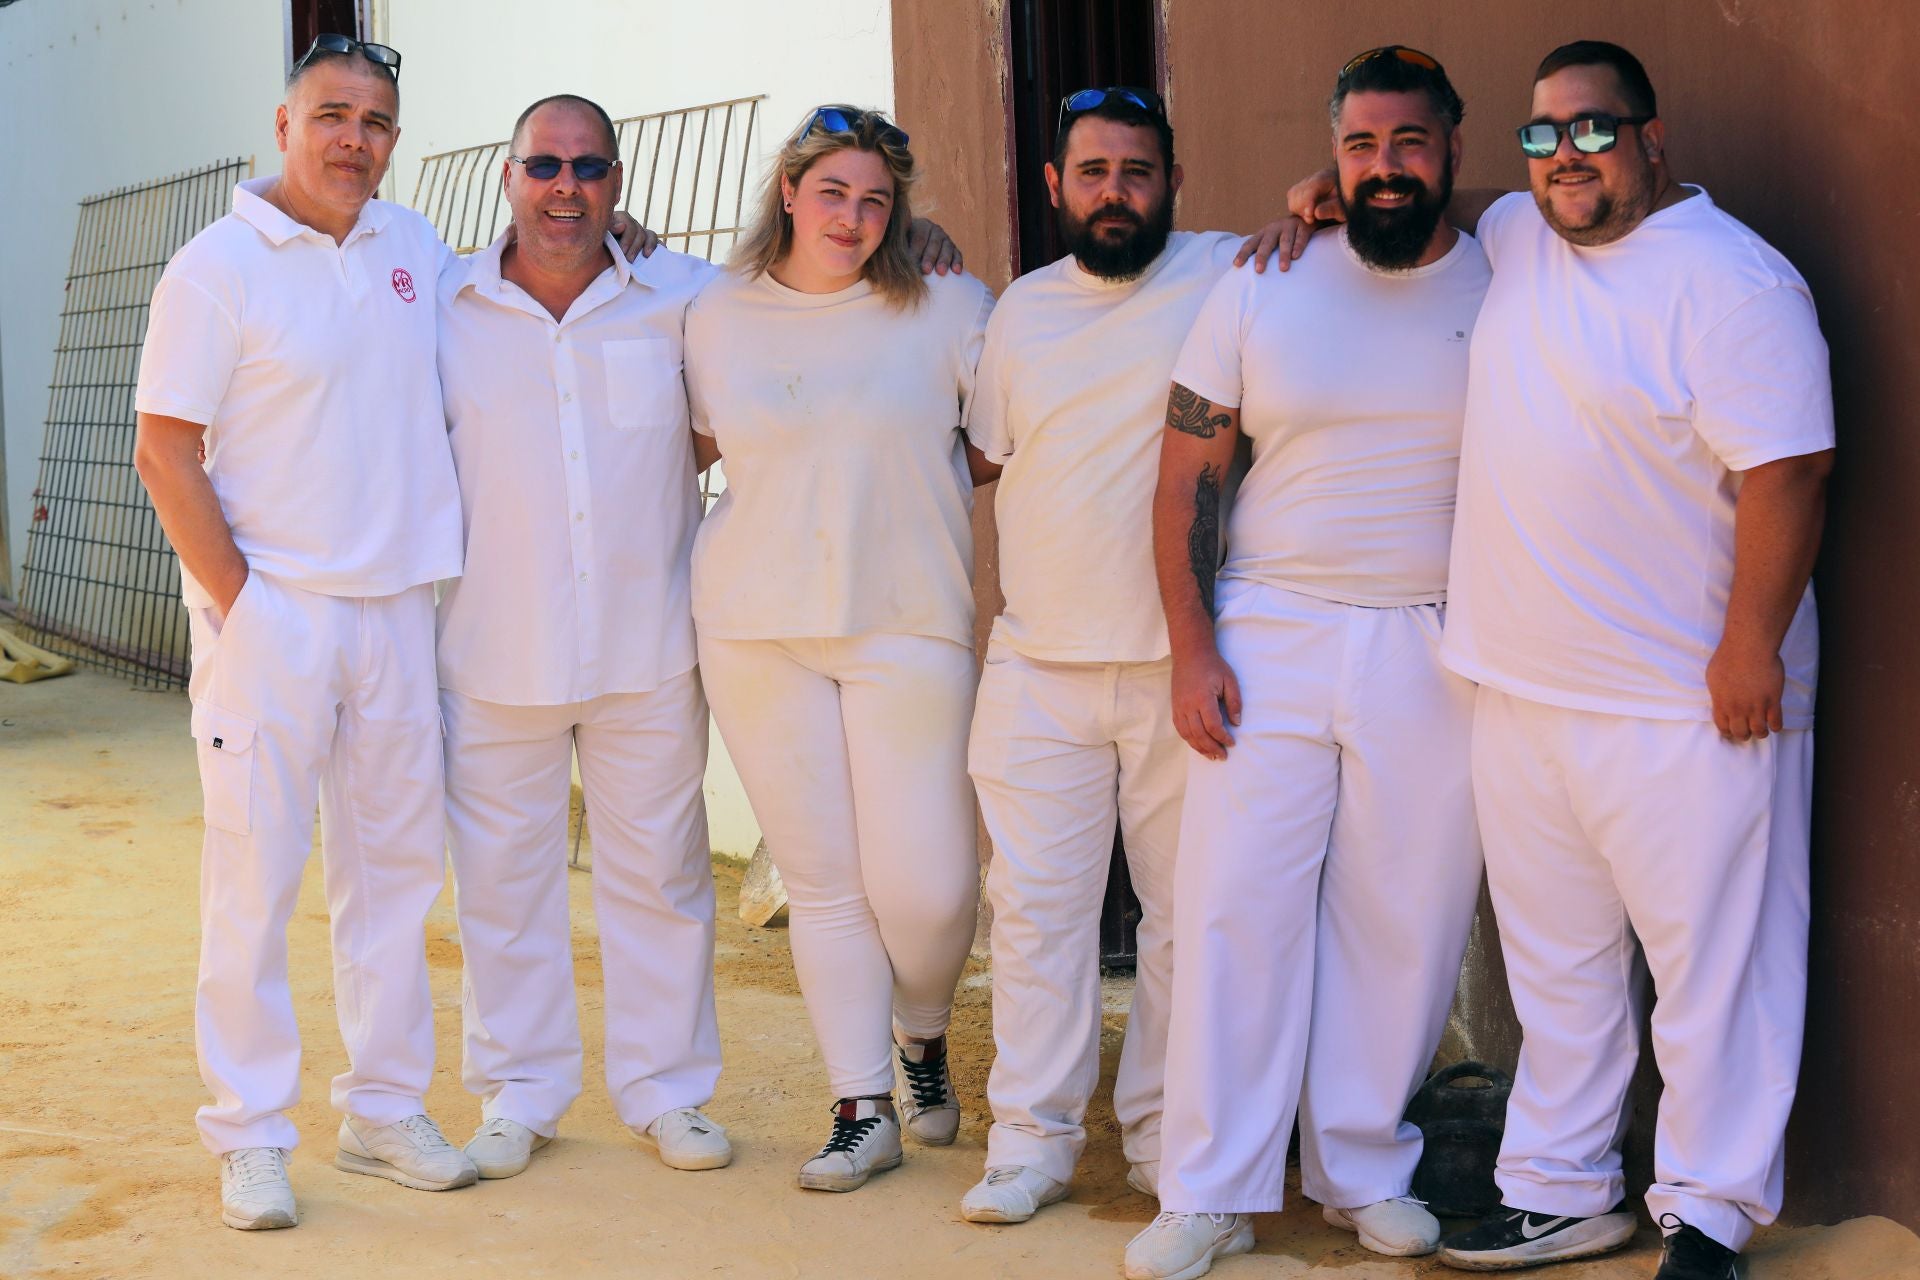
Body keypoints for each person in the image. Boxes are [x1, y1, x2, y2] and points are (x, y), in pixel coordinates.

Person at [1299, 42, 1830, 1280]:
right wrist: (1319, 191)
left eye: (1594, 129)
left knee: (1717, 975)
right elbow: (1421, 203)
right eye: (1542, 136)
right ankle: (1559, 1185)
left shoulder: (1735, 281)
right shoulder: (1522, 239)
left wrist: (1750, 648)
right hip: (1524, 689)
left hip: (1690, 702)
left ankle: (1709, 1215)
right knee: (1559, 971)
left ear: (1654, 139)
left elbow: (1791, 470)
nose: (1567, 156)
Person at [1122, 48, 1491, 1280]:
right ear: (1332, 158)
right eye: (1360, 147)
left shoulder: (1509, 268)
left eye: (1409, 144)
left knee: (1407, 914)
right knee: (1236, 907)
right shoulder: (1260, 277)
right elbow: (1186, 475)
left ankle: (1360, 1169)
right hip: (1269, 627)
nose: (1384, 169)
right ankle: (1211, 1186)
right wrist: (1192, 645)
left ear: (1451, 147)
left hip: (1436, 637)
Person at [133, 35, 477, 1230]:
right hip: (272, 617)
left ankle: (383, 1109)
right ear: (283, 128)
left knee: (392, 881)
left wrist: (620, 242)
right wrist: (247, 604)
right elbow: (164, 450)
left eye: (376, 121)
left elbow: (515, 296)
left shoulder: (412, 248)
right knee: (256, 883)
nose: (353, 139)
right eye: (331, 114)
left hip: (395, 611)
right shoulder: (217, 266)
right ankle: (248, 1132)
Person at [954, 87, 1299, 1226]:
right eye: (1093, 171)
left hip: (1181, 667)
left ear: (1174, 184)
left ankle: (1161, 1138)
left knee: (1180, 918)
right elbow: (990, 455)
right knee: (1037, 916)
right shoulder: (1017, 313)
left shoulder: (1230, 273)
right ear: (1054, 187)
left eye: (1137, 171)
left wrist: (1321, 197)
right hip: (1038, 663)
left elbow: (1352, 212)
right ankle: (1032, 1140)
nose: (1115, 192)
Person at [682, 105, 994, 1193]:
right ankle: (861, 1104)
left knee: (930, 887)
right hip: (754, 621)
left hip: (909, 617)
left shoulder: (949, 302)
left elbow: (993, 442)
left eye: (875, 199)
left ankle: (920, 1031)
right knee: (821, 878)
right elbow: (691, 435)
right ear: (788, 191)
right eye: (832, 192)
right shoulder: (714, 312)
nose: (853, 217)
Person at [434, 93, 733, 1181]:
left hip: (646, 646)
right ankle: (520, 1091)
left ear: (618, 182)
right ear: (508, 176)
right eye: (545, 165)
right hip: (493, 648)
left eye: (589, 167)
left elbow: (812, 285)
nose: (567, 187)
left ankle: (669, 1091)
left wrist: (923, 236)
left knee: (662, 876)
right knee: (502, 885)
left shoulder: (685, 295)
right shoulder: (441, 304)